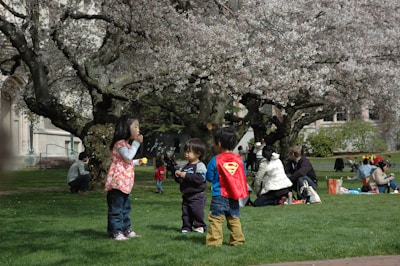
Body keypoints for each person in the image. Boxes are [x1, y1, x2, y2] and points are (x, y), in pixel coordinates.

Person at [105, 114, 146, 241]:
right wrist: (136, 144)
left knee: (125, 208)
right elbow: (128, 157)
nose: (138, 130)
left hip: (125, 185)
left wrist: (137, 162)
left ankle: (126, 228)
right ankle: (115, 231)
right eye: (135, 127)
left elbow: (127, 162)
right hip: (117, 183)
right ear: (126, 128)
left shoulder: (126, 146)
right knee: (116, 209)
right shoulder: (120, 144)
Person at [205, 126, 248, 246]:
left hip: (219, 194)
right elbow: (243, 174)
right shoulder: (239, 159)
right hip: (234, 194)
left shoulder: (215, 159)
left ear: (218, 144)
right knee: (234, 218)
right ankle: (238, 240)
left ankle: (214, 242)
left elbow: (209, 176)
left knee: (216, 219)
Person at [174, 138, 207, 234]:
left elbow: (200, 179)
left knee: (197, 211)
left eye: (189, 151)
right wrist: (177, 175)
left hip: (197, 195)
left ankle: (200, 226)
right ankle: (186, 226)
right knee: (186, 212)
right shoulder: (185, 167)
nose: (186, 154)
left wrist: (185, 175)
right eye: (185, 151)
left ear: (198, 153)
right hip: (186, 194)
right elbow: (181, 181)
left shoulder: (200, 166)